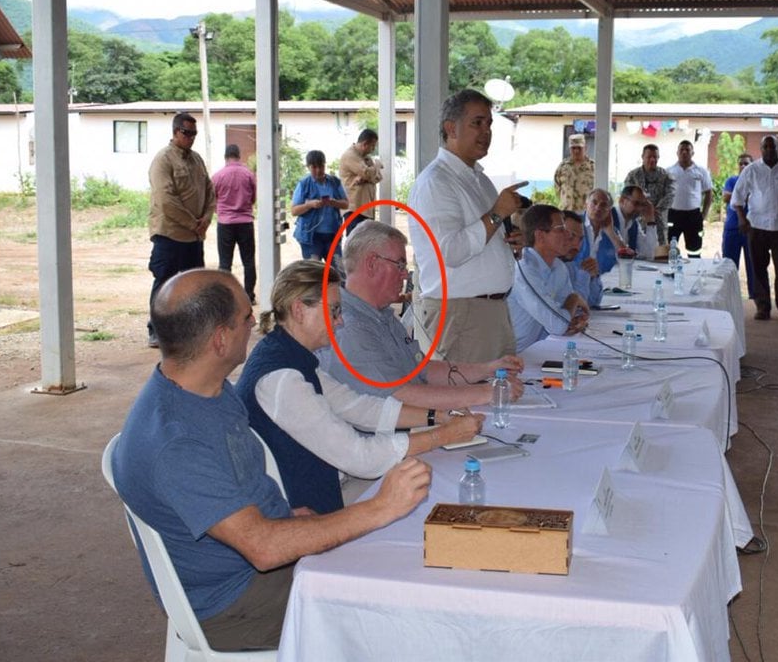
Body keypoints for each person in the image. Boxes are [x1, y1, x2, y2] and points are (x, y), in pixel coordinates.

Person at [111, 268, 430, 652]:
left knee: (403, 562)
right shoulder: (176, 440)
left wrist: (288, 518)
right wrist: (381, 507)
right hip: (236, 604)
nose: (255, 326)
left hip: (256, 564)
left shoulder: (206, 390)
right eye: (247, 318)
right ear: (220, 338)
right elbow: (264, 549)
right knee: (403, 611)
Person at [236, 260, 483, 516]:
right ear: (299, 310)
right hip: (310, 511)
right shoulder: (283, 379)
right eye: (334, 310)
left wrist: (437, 417)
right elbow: (359, 457)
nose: (340, 321)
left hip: (326, 488)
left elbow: (359, 407)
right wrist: (442, 436)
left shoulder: (288, 355)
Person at [314, 220, 524, 407]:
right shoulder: (349, 326)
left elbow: (422, 372)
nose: (405, 274)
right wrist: (486, 393)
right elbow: (400, 395)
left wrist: (489, 369)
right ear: (372, 264)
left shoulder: (380, 315)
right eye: (400, 264)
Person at [408, 89, 526, 363]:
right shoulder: (436, 182)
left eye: (489, 124)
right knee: (468, 401)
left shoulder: (479, 179)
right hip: (462, 314)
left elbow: (483, 236)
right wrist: (497, 213)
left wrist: (508, 245)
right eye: (477, 123)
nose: (486, 132)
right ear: (451, 128)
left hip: (490, 311)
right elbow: (451, 251)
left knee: (499, 400)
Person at [146, 112, 214, 348]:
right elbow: (166, 199)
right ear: (175, 132)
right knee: (165, 283)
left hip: (194, 236)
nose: (191, 138)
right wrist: (191, 222)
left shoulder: (196, 159)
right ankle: (156, 330)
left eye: (194, 133)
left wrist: (205, 218)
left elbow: (209, 191)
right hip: (170, 234)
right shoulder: (163, 160)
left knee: (193, 285)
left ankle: (188, 330)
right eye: (186, 133)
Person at [729, 135, 778, 322]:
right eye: (765, 147)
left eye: (772, 147)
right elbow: (738, 197)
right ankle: (763, 307)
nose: (769, 150)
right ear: (761, 148)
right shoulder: (751, 170)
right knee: (758, 268)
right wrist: (742, 219)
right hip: (756, 226)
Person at [510, 204, 591, 352]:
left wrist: (577, 321)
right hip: (512, 355)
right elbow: (558, 324)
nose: (568, 236)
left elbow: (565, 315)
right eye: (561, 229)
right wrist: (574, 298)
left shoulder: (558, 267)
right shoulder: (524, 269)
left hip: (538, 350)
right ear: (540, 235)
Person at [211, 144, 257, 305]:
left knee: (225, 263)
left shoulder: (217, 176)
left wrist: (222, 210)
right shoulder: (249, 174)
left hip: (225, 223)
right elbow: (253, 198)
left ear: (225, 157)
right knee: (248, 261)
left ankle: (225, 298)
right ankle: (249, 295)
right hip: (245, 222)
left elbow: (212, 199)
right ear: (239, 156)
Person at [290, 150, 349, 262]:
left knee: (337, 272)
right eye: (314, 167)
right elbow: (294, 211)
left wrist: (333, 202)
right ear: (308, 167)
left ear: (324, 165)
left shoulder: (334, 182)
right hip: (311, 236)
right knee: (314, 274)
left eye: (321, 166)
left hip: (332, 234)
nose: (318, 171)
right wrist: (309, 205)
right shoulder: (303, 184)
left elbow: (346, 204)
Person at [665, 139, 714, 257]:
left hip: (694, 216)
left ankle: (693, 273)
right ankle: (670, 273)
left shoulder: (701, 171)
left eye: (687, 150)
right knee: (668, 250)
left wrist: (704, 214)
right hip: (673, 215)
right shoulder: (668, 171)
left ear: (692, 153)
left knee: (694, 251)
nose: (684, 152)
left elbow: (708, 193)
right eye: (681, 150)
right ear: (677, 153)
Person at [624, 143, 674, 246]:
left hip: (658, 221)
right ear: (642, 157)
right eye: (649, 157)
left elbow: (671, 195)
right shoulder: (633, 175)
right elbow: (627, 195)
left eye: (655, 157)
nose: (652, 160)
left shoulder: (665, 176)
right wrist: (643, 208)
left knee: (660, 252)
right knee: (638, 250)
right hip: (638, 221)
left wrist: (655, 210)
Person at [721, 153, 756, 298]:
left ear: (751, 165)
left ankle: (754, 296)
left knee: (753, 265)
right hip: (732, 228)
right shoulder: (732, 180)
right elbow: (726, 197)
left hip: (752, 228)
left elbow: (735, 197)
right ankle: (729, 295)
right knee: (729, 265)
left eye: (746, 163)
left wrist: (737, 196)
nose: (743, 166)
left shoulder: (756, 182)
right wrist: (746, 196)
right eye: (741, 163)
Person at [339, 129, 384, 225]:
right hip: (355, 208)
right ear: (365, 144)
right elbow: (367, 173)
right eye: (373, 145)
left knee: (368, 238)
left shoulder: (366, 157)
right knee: (355, 238)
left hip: (367, 208)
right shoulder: (350, 155)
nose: (373, 149)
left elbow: (378, 177)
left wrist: (367, 176)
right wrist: (376, 165)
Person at [562, 209, 603, 307]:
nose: (577, 245)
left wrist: (593, 276)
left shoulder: (572, 264)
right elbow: (577, 307)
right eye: (571, 236)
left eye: (580, 239)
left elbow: (593, 302)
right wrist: (584, 274)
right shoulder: (546, 266)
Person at [614, 185, 660, 260]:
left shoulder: (634, 223)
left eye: (643, 205)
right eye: (636, 203)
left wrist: (650, 221)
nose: (640, 208)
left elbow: (650, 253)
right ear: (622, 201)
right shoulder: (608, 218)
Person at [554, 134, 596, 212]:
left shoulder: (593, 167)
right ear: (569, 149)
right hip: (566, 212)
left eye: (579, 148)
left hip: (586, 212)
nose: (576, 151)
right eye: (573, 148)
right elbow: (557, 188)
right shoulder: (562, 167)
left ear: (585, 148)